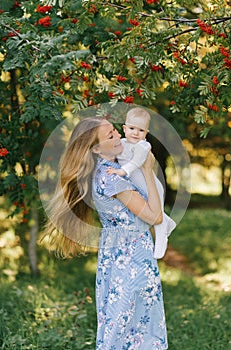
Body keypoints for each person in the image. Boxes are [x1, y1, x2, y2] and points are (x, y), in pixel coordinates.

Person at [41, 117, 168, 349]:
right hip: (132, 258)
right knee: (133, 328)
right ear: (96, 148)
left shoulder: (111, 169)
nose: (119, 135)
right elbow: (155, 217)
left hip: (118, 257)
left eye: (115, 130)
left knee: (119, 323)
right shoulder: (111, 179)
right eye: (110, 136)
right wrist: (148, 171)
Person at [107, 107, 176, 259]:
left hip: (150, 185)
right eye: (132, 128)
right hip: (139, 186)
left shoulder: (144, 146)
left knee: (157, 219)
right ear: (124, 128)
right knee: (151, 212)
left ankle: (162, 232)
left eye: (141, 130)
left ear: (146, 133)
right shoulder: (123, 143)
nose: (136, 133)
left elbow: (136, 162)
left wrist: (122, 172)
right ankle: (166, 222)